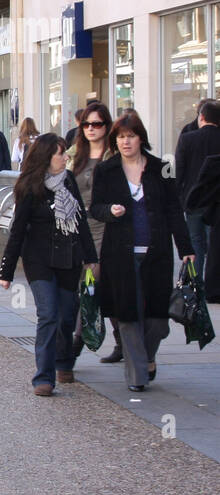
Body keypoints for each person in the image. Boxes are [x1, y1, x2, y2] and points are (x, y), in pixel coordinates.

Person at [90, 112, 194, 392]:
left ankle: (146, 358)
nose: (126, 142)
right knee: (127, 315)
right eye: (121, 137)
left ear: (141, 139)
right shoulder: (107, 170)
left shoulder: (160, 169)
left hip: (156, 252)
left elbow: (174, 210)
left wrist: (186, 248)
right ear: (115, 140)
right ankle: (137, 376)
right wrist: (110, 211)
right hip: (120, 254)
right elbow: (95, 208)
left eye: (131, 136)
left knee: (158, 320)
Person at [0, 135, 99, 396]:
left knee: (67, 316)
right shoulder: (30, 187)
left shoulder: (69, 182)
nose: (66, 158)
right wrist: (6, 271)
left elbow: (80, 223)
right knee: (48, 315)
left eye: (65, 153)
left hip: (69, 259)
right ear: (46, 158)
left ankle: (64, 361)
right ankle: (43, 377)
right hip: (39, 260)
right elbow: (18, 229)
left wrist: (91, 258)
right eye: (60, 154)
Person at [66, 102, 123, 367]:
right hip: (76, 226)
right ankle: (123, 339)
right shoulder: (74, 153)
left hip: (104, 227)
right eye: (86, 124)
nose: (91, 129)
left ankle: (75, 344)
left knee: (91, 283)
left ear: (106, 126)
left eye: (97, 124)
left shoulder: (114, 156)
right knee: (92, 286)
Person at [175, 100, 220, 284]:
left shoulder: (188, 138)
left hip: (193, 200)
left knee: (196, 243)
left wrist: (177, 199)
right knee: (215, 244)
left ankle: (196, 283)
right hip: (216, 201)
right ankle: (213, 283)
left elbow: (179, 171)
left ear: (201, 117)